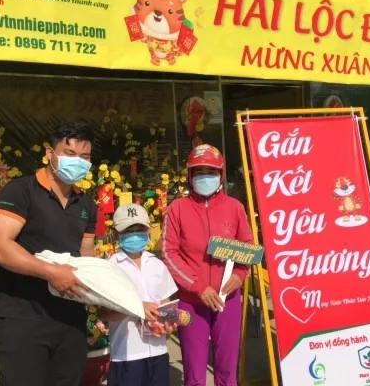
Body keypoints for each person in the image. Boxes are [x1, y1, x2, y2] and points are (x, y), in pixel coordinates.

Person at [0, 122, 97, 386]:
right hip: (23, 318)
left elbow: (87, 260)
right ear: (50, 153)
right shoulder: (20, 191)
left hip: (71, 320)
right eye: (69, 153)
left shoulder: (86, 204)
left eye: (85, 156)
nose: (78, 162)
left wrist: (114, 303)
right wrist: (50, 273)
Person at [162, 144, 254, 386]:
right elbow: (169, 252)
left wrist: (240, 274)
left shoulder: (234, 207)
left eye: (211, 172)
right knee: (194, 372)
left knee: (227, 370)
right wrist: (198, 286)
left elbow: (248, 246)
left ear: (221, 175)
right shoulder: (177, 208)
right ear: (190, 175)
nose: (205, 177)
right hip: (191, 301)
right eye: (199, 172)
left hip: (227, 300)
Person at [97, 203, 178, 386]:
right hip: (127, 355)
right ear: (116, 233)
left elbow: (166, 305)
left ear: (148, 231)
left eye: (139, 229)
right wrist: (137, 307)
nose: (134, 234)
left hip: (158, 351)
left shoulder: (157, 265)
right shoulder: (110, 267)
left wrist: (169, 322)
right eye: (128, 230)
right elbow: (103, 313)